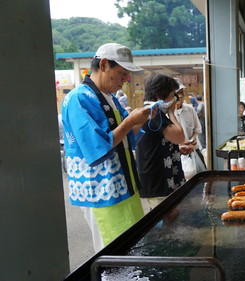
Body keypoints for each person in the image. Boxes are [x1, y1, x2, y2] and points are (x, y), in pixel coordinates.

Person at [61, 43, 151, 251]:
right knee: (112, 254)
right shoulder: (78, 98)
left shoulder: (110, 98)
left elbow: (125, 137)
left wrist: (143, 119)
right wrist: (130, 122)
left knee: (133, 248)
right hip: (101, 191)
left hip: (123, 187)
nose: (126, 79)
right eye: (121, 73)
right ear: (103, 65)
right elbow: (97, 146)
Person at [135, 73, 187, 212]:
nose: (174, 99)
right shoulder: (153, 113)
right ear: (159, 95)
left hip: (157, 176)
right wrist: (171, 112)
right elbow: (179, 136)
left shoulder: (154, 112)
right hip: (158, 180)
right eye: (172, 95)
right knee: (165, 220)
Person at [174, 88, 207, 177]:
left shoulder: (190, 109)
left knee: (201, 177)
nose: (180, 96)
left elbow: (197, 129)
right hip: (176, 152)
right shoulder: (167, 113)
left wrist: (193, 139)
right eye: (177, 93)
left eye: (182, 93)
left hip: (193, 149)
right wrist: (179, 145)